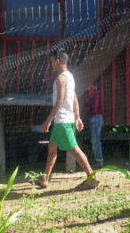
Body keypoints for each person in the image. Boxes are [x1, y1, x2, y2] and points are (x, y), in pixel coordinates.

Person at [36, 50, 99, 190]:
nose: (51, 64)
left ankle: (92, 177)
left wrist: (47, 121)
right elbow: (75, 98)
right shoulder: (70, 77)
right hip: (67, 120)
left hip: (62, 122)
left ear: (58, 61)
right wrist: (77, 117)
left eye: (52, 61)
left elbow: (59, 101)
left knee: (75, 150)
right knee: (52, 149)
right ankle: (45, 178)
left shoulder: (60, 79)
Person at [84, 83, 104, 168]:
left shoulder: (94, 93)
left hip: (95, 118)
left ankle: (99, 161)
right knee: (94, 140)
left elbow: (91, 108)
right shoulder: (90, 94)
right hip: (92, 118)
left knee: (95, 140)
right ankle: (97, 160)